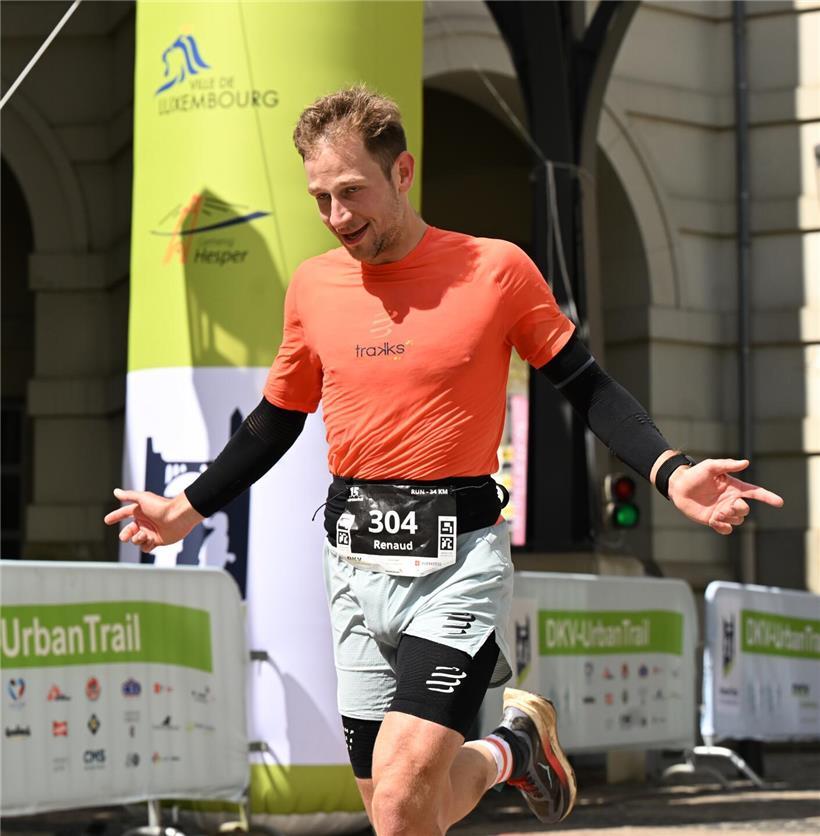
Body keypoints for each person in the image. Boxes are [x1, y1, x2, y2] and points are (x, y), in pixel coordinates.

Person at [105, 86, 784, 835]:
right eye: (320, 198)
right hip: (353, 570)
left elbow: (585, 386)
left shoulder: (494, 269)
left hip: (458, 565)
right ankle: (512, 750)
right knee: (395, 807)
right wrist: (186, 509)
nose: (336, 216)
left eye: (351, 191)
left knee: (401, 799)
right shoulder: (314, 286)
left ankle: (505, 748)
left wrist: (670, 469)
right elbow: (276, 420)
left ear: (402, 173)